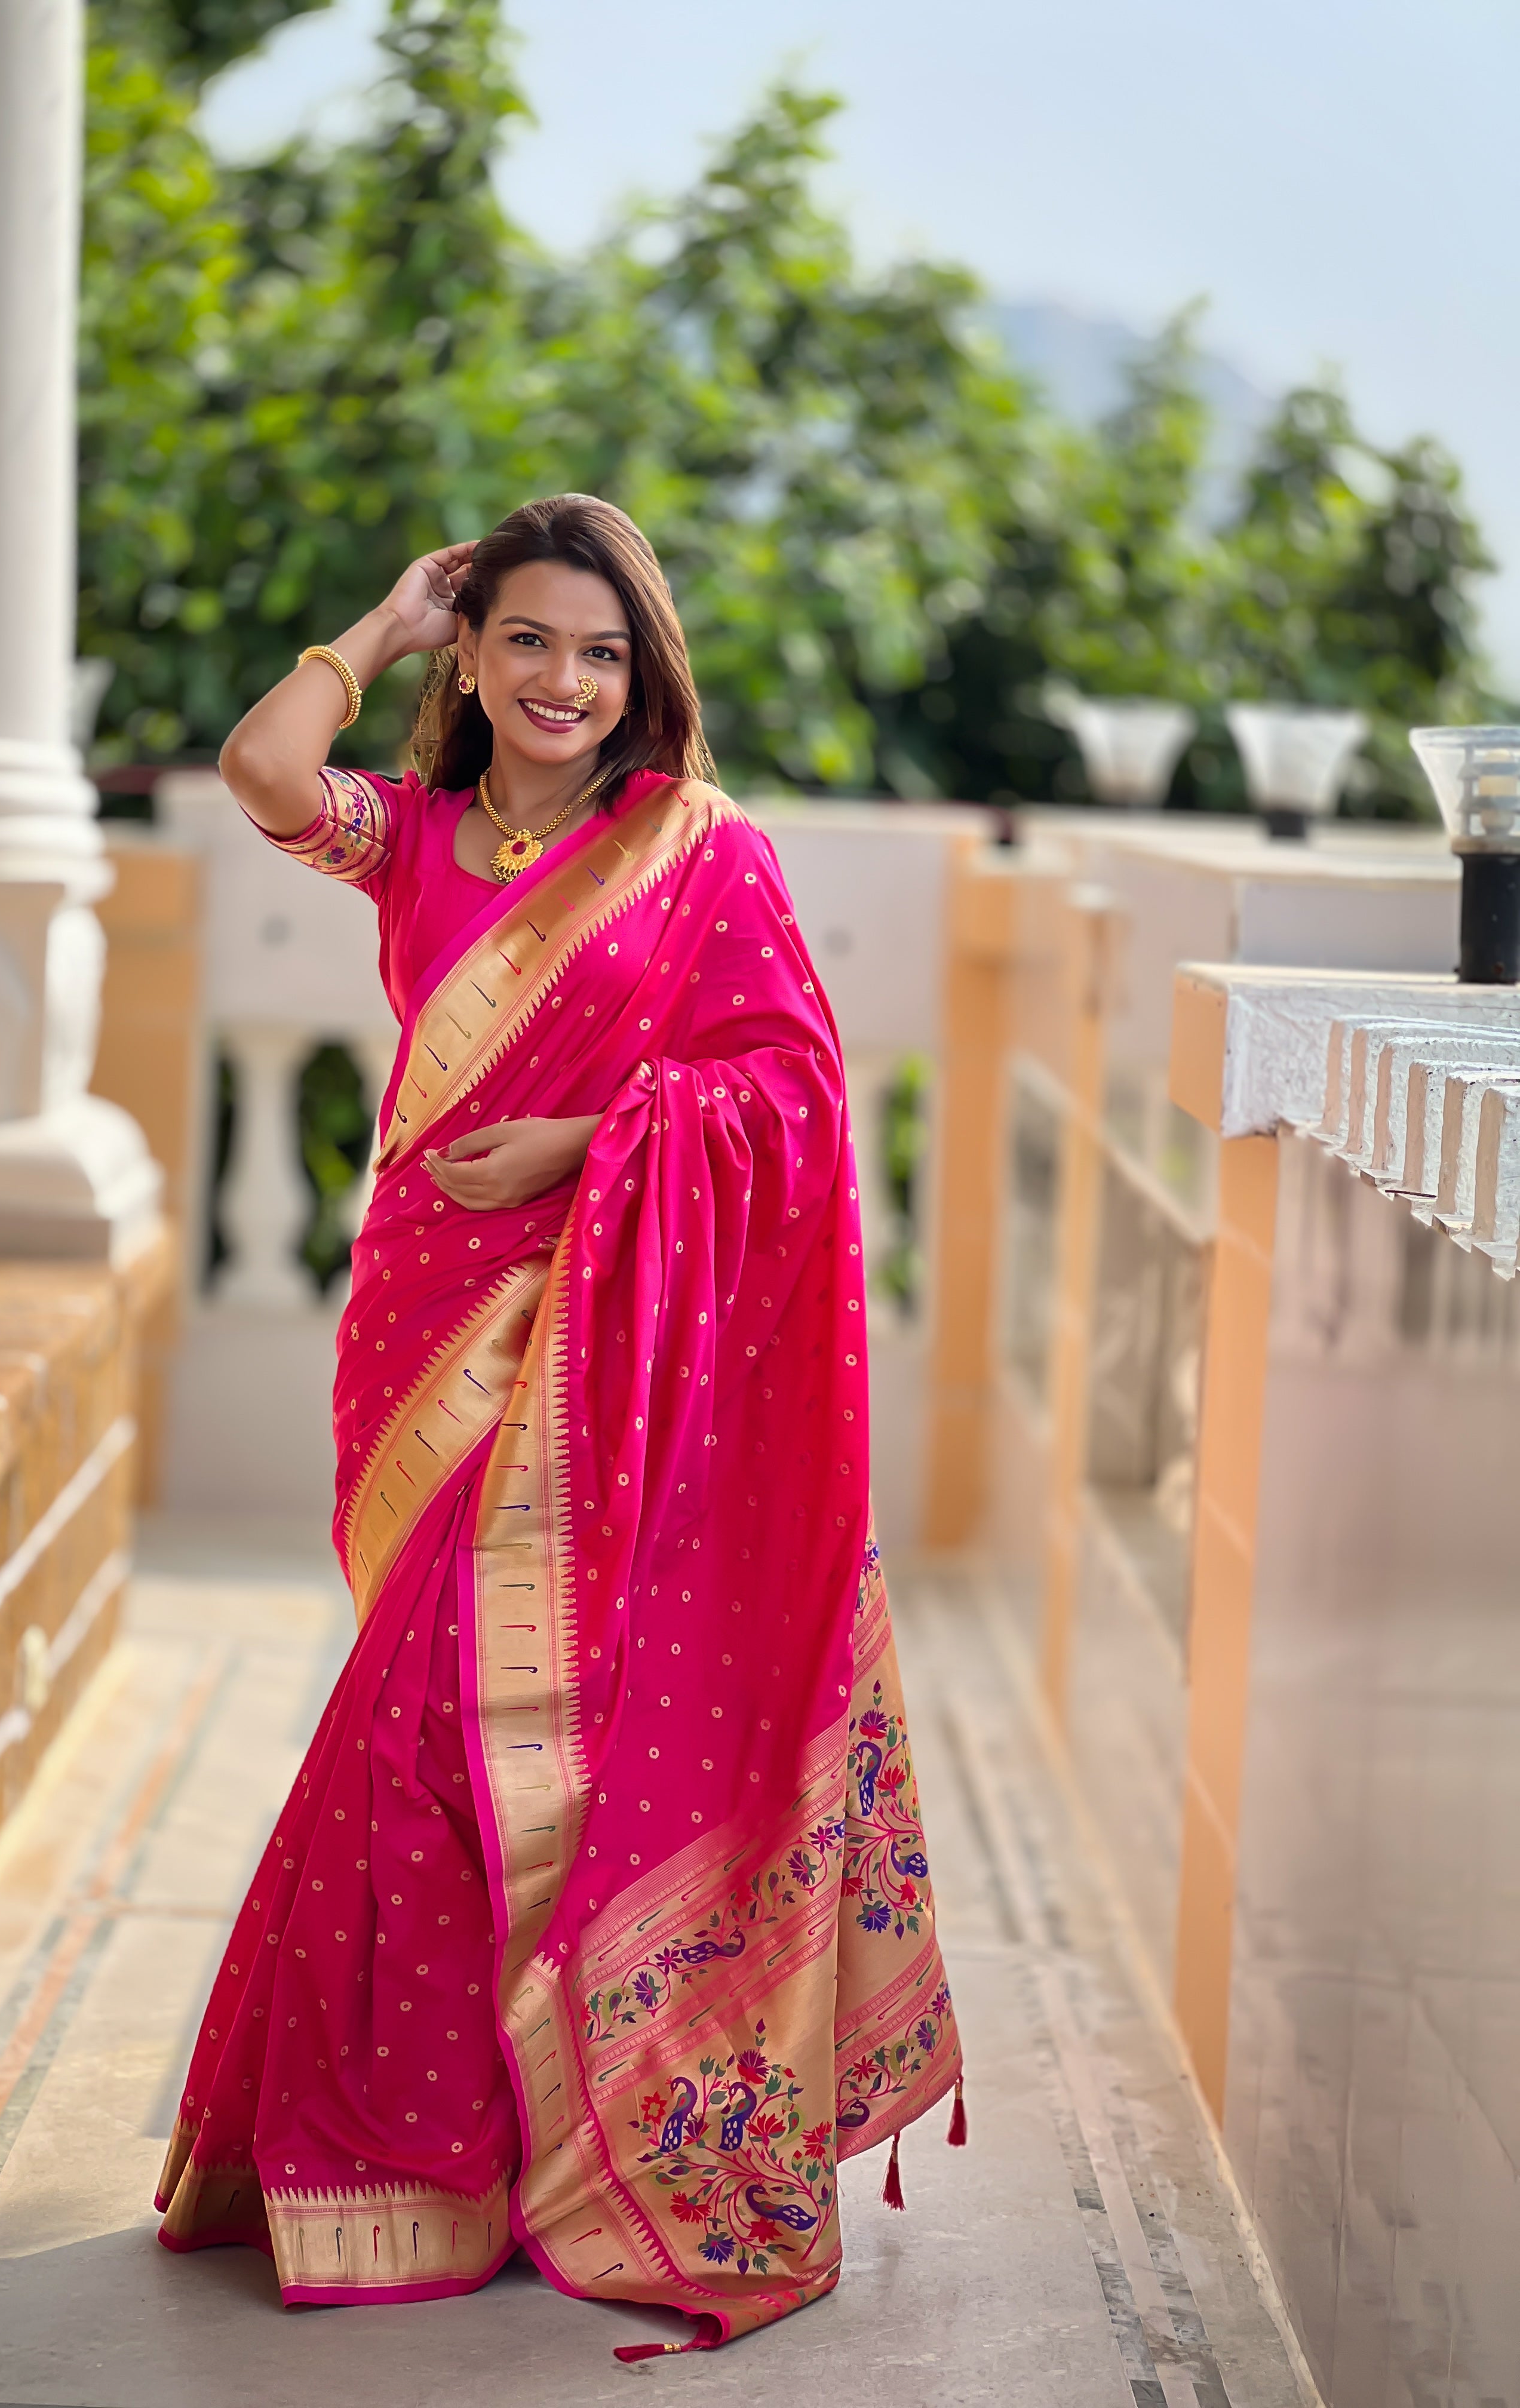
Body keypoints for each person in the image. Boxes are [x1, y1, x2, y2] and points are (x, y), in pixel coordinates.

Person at [154, 494, 962, 2357]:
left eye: (603, 653)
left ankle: (541, 2152)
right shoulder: (415, 838)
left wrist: (600, 1145)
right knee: (425, 1735)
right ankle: (412, 2163)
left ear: (645, 674)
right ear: (473, 651)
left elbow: (795, 1101)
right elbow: (267, 763)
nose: (565, 683)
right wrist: (378, 618)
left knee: (515, 1739)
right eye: (526, 640)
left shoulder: (700, 855)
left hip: (612, 1350)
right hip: (432, 1339)